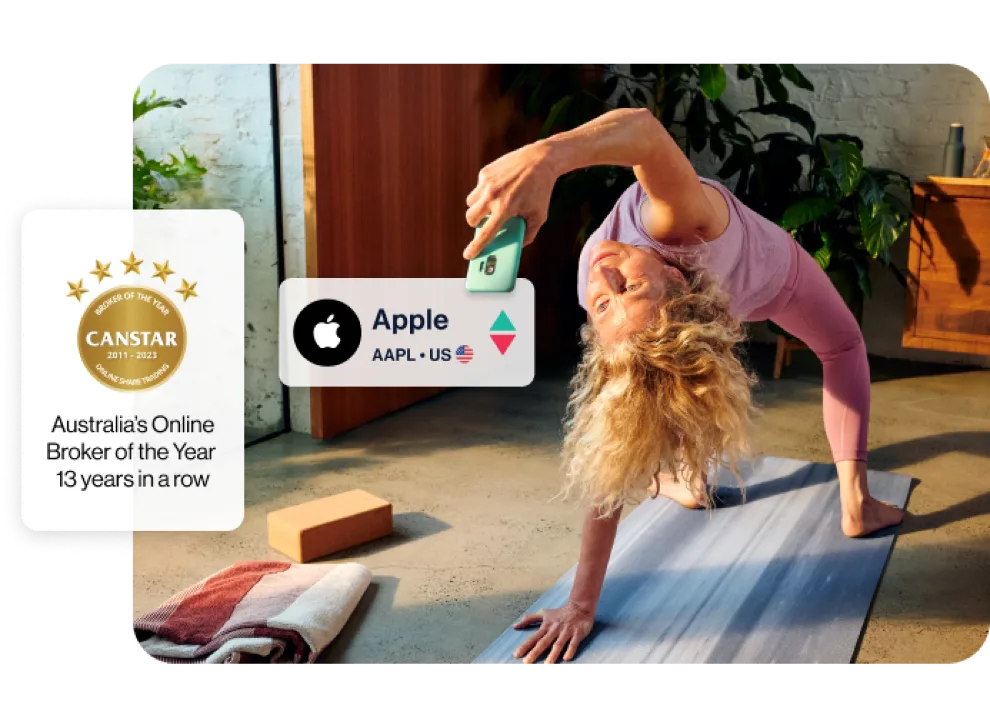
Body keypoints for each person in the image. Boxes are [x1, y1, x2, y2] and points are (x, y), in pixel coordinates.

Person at [462, 107, 905, 665]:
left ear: (675, 274)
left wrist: (547, 156)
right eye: (613, 298)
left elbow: (645, 132)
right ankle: (849, 499)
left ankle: (807, 496)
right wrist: (579, 605)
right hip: (751, 285)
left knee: (831, 346)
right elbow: (614, 461)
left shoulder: (675, 227)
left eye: (614, 293)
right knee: (814, 352)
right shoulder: (661, 260)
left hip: (768, 280)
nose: (604, 278)